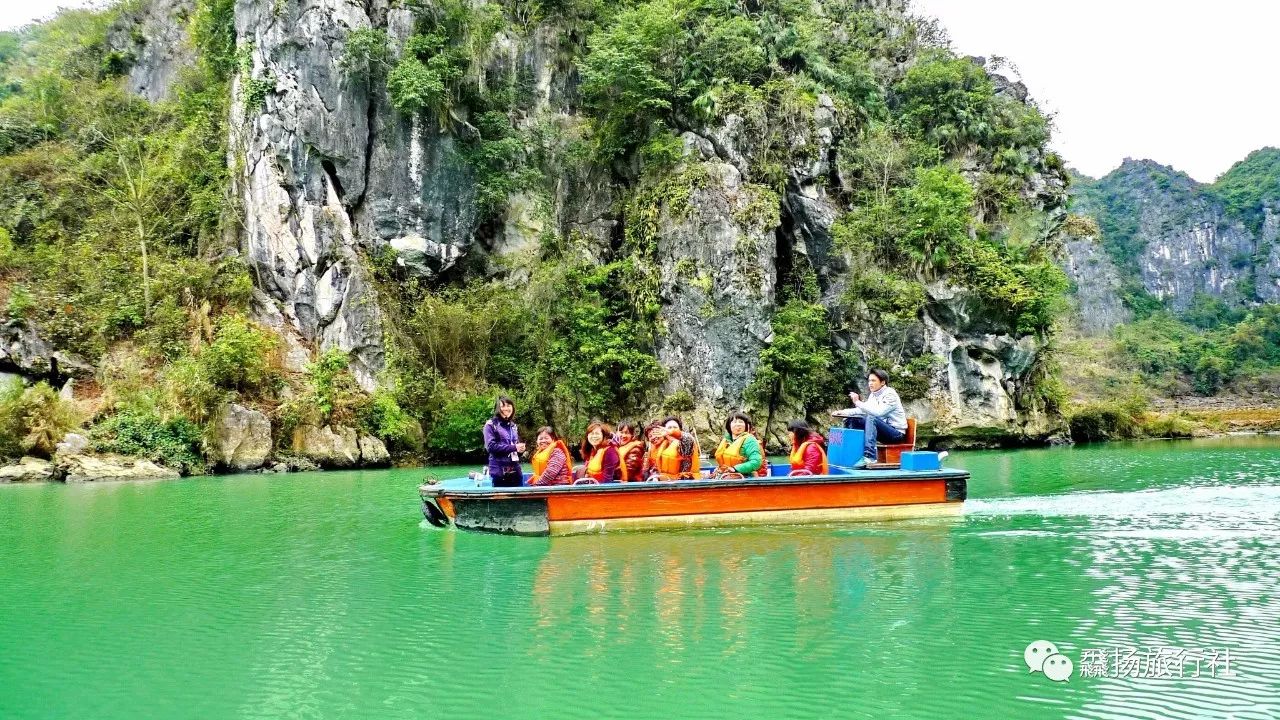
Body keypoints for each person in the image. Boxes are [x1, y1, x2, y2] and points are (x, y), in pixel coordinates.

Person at [846, 368, 907, 468]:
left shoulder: (890, 394)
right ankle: (853, 453)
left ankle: (870, 457)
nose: (870, 383)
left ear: (882, 382)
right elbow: (862, 410)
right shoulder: (873, 395)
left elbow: (878, 412)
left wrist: (857, 402)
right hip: (883, 432)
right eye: (869, 381)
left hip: (896, 434)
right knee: (854, 419)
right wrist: (844, 412)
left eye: (873, 380)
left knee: (871, 417)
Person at [483, 395, 526, 487]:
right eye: (503, 406)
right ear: (497, 408)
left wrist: (520, 450)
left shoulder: (513, 426)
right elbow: (490, 447)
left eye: (509, 405)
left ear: (512, 408)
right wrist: (514, 447)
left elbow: (514, 447)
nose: (506, 408)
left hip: (515, 470)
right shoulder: (490, 425)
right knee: (501, 501)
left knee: (519, 500)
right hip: (499, 471)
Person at [713, 411, 765, 477]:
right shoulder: (726, 441)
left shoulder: (750, 440)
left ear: (746, 426)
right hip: (725, 476)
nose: (738, 425)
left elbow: (756, 462)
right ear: (729, 425)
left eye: (741, 422)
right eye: (734, 422)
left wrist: (735, 469)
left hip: (744, 477)